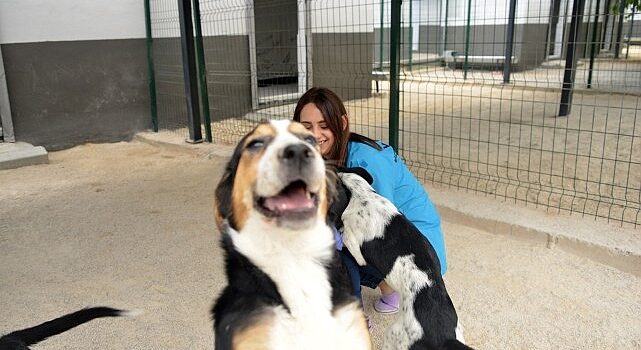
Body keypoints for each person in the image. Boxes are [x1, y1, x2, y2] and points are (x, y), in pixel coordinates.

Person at [293, 87, 448, 315]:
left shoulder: (367, 160)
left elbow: (382, 226)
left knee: (334, 250)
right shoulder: (328, 154)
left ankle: (356, 317)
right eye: (307, 127)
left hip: (421, 256)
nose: (315, 134)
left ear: (342, 122)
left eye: (324, 126)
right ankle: (390, 291)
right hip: (405, 244)